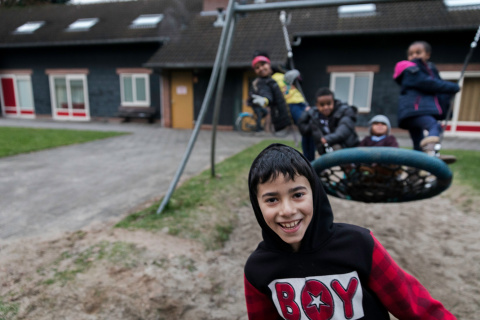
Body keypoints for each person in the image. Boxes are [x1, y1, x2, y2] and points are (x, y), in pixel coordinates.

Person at [244, 143, 457, 320]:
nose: (288, 210)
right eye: (272, 199)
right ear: (257, 205)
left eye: (298, 195)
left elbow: (416, 307)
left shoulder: (360, 245)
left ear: (315, 194)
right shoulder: (258, 269)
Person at [393, 40, 460, 155]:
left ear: (427, 55)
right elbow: (429, 83)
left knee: (417, 140)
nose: (414, 56)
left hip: (412, 111)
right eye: (411, 54)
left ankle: (418, 163)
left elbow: (437, 87)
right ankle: (431, 153)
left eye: (418, 53)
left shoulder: (428, 70)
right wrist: (452, 87)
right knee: (434, 126)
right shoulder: (412, 70)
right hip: (416, 109)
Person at [298, 87, 359, 155]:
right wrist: (306, 112)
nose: (326, 107)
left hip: (348, 148)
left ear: (333, 101)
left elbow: (343, 131)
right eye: (322, 105)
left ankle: (350, 165)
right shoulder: (315, 116)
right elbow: (303, 129)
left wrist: (326, 139)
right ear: (317, 105)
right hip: (325, 149)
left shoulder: (345, 111)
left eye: (329, 103)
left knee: (337, 147)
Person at [272, 69, 316, 161]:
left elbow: (294, 77)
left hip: (302, 103)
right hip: (291, 104)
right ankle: (309, 159)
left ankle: (310, 159)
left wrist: (297, 75)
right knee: (305, 127)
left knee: (311, 128)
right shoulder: (275, 77)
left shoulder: (284, 77)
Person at [247, 51, 292, 133]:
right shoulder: (262, 82)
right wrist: (265, 99)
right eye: (257, 68)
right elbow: (266, 93)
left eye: (263, 64)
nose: (261, 68)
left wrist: (297, 77)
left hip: (297, 104)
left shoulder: (279, 75)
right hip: (285, 110)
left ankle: (264, 128)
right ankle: (261, 129)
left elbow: (296, 83)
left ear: (269, 64)